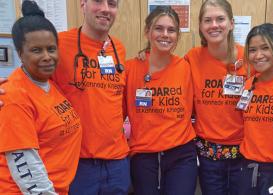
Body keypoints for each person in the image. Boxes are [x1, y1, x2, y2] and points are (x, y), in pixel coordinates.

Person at [0, 1, 82, 194]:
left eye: (51, 49)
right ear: (21, 53)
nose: (47, 56)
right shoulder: (13, 96)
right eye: (36, 50)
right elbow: (27, 171)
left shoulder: (47, 84)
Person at [51, 0, 130, 194]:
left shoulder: (118, 48)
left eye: (112, 4)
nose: (105, 9)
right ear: (83, 4)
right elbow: (32, 82)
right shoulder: (59, 45)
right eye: (97, 1)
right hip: (77, 164)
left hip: (117, 163)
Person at [125, 6, 197, 195]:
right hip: (144, 157)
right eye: (159, 28)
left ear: (177, 35)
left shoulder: (186, 67)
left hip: (181, 154)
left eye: (171, 30)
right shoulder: (130, 68)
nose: (165, 34)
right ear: (147, 31)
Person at [184, 0, 253, 194]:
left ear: (231, 23)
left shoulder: (248, 59)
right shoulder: (192, 58)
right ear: (200, 26)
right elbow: (167, 70)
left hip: (244, 154)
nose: (214, 25)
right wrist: (146, 53)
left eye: (220, 19)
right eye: (208, 20)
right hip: (208, 157)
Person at [237, 23, 273, 195]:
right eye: (253, 50)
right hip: (247, 168)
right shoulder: (249, 85)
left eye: (265, 48)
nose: (258, 55)